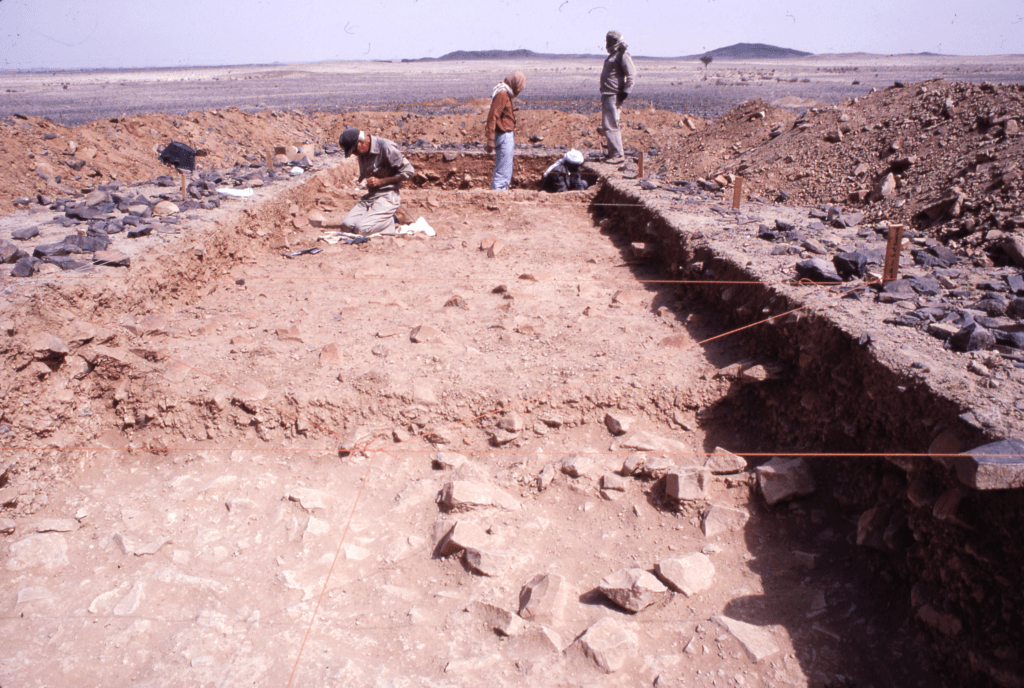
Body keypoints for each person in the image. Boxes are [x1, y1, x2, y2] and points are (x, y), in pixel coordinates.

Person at [338, 128, 415, 236]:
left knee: (362, 229)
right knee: (347, 225)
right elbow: (367, 174)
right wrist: (363, 182)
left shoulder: (386, 147)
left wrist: (381, 181)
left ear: (362, 143)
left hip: (388, 196)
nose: (354, 154)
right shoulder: (362, 152)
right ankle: (374, 218)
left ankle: (396, 218)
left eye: (354, 151)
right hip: (371, 196)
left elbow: (409, 172)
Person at [599, 30, 637, 165]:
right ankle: (612, 152)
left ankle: (617, 154)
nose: (608, 44)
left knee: (611, 124)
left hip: (613, 94)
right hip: (608, 94)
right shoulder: (614, 56)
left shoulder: (622, 55)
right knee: (608, 124)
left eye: (610, 41)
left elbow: (632, 74)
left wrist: (626, 91)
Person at [486, 70, 526, 190]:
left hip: (504, 135)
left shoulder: (504, 93)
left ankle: (500, 196)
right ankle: (498, 200)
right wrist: (490, 139)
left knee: (504, 171)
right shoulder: (502, 94)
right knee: (502, 173)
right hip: (503, 135)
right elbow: (492, 116)